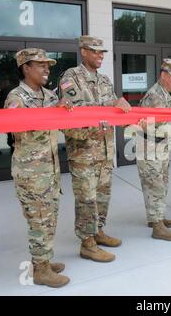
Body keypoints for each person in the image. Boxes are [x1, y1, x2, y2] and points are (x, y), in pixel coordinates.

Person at [59, 35, 131, 263]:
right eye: (95, 51)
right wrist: (109, 105)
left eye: (102, 52)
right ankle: (87, 243)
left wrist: (121, 105)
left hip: (105, 151)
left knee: (102, 196)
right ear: (83, 51)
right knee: (86, 199)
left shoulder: (105, 80)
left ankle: (98, 232)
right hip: (83, 152)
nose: (100, 55)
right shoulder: (70, 78)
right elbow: (75, 111)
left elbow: (112, 108)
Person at [5, 48, 72, 288]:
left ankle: (43, 260)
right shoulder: (16, 97)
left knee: (50, 218)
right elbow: (18, 128)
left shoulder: (50, 96)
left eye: (48, 65)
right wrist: (52, 112)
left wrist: (66, 110)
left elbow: (61, 124)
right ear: (26, 68)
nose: (47, 69)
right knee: (38, 221)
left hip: (51, 170)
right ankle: (41, 270)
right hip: (31, 174)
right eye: (40, 65)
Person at [136, 59, 171, 241]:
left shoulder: (170, 94)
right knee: (155, 186)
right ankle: (157, 227)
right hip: (150, 148)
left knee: (162, 183)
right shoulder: (154, 96)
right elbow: (156, 125)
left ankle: (158, 217)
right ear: (163, 75)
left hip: (162, 148)